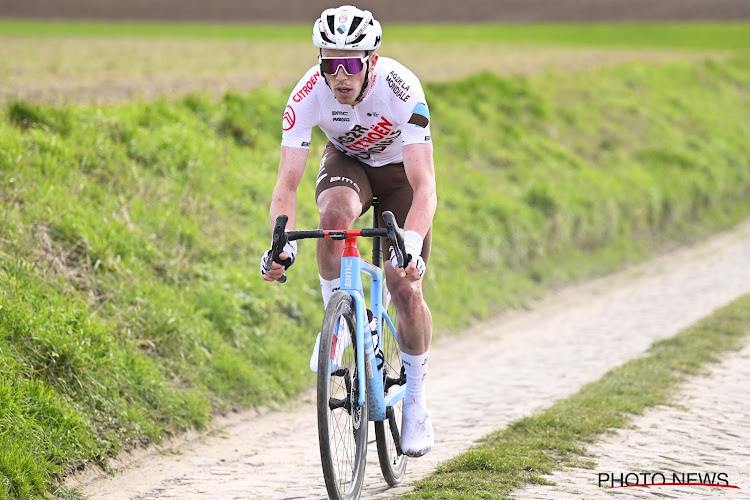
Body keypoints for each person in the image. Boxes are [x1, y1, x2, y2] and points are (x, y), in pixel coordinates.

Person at [260, 5, 436, 458]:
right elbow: (287, 184)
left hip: (399, 176)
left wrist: (411, 244)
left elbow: (425, 187)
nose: (339, 76)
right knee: (333, 221)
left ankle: (415, 403)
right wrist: (278, 245)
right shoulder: (306, 95)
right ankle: (335, 328)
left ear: (370, 63)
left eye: (350, 64)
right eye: (329, 64)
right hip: (349, 165)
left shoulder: (402, 89)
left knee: (403, 286)